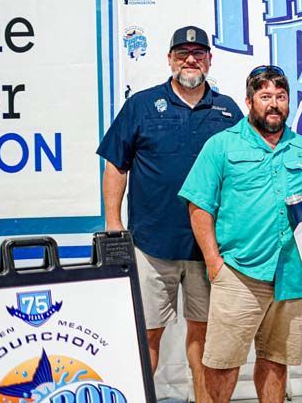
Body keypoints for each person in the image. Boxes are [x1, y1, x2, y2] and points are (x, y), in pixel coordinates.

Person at [96, 25, 242, 402]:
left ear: (210, 59)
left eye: (198, 53)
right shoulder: (141, 105)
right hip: (151, 245)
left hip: (209, 248)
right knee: (146, 335)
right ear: (169, 59)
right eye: (182, 53)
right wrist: (114, 224)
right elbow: (116, 164)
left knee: (206, 339)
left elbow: (245, 173)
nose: (190, 60)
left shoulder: (228, 111)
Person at [179, 66, 302, 403]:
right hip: (239, 273)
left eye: (281, 97)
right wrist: (214, 263)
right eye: (265, 97)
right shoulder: (221, 145)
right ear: (249, 101)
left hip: (293, 273)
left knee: (276, 361)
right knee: (222, 365)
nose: (274, 104)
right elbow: (199, 206)